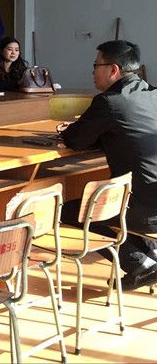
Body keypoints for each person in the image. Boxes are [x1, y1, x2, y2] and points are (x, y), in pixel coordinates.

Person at [58, 40, 157, 290]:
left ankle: (139, 263)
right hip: (152, 196)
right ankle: (151, 255)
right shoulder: (153, 94)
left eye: (96, 65)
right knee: (115, 204)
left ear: (113, 69)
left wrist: (72, 130)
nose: (93, 71)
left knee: (68, 212)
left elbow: (76, 139)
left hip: (144, 209)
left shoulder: (109, 102)